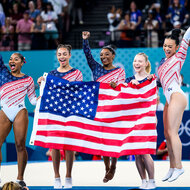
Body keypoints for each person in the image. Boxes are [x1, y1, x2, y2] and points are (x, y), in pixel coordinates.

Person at [82, 31, 126, 183]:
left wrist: (116, 86)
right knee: (102, 140)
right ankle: (106, 167)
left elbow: (123, 89)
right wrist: (85, 40)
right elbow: (88, 55)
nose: (103, 57)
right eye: (101, 55)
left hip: (114, 109)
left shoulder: (119, 71)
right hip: (99, 108)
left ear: (113, 56)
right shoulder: (96, 69)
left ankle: (113, 166)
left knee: (113, 139)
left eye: (107, 55)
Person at [37, 44, 83, 189]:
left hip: (70, 112)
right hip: (54, 112)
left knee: (69, 146)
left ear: (70, 55)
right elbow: (46, 93)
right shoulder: (50, 75)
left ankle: (68, 176)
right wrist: (41, 84)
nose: (62, 57)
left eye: (64, 54)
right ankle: (57, 177)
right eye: (59, 54)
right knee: (54, 145)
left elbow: (79, 92)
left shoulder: (77, 73)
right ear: (57, 56)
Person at [157, 26, 190, 182]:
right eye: (165, 46)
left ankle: (179, 167)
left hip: (177, 95)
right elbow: (159, 82)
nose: (167, 48)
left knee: (173, 132)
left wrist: (186, 31)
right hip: (169, 98)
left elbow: (187, 35)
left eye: (170, 46)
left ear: (177, 47)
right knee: (167, 135)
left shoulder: (179, 56)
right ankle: (171, 167)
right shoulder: (163, 62)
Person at [0, 53, 37, 188]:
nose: (12, 61)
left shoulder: (28, 79)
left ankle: (20, 179)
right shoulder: (3, 73)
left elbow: (32, 100)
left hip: (19, 110)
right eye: (10, 59)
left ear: (22, 62)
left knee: (20, 145)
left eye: (16, 59)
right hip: (4, 110)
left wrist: (40, 99)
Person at [125, 53, 156, 189]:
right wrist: (130, 86)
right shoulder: (129, 80)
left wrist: (140, 86)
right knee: (137, 152)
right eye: (135, 61)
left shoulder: (151, 79)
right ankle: (143, 181)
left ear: (146, 64)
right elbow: (124, 99)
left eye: (140, 61)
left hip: (146, 119)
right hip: (133, 119)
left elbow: (151, 97)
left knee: (145, 151)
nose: (136, 63)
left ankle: (152, 181)